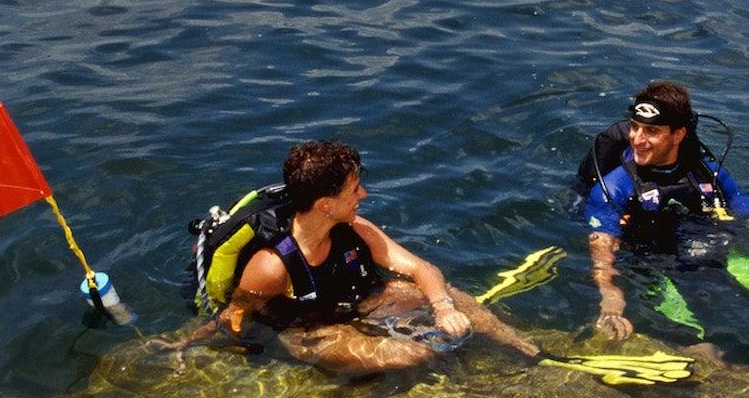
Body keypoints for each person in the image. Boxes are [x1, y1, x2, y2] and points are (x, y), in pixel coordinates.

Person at [160, 140, 538, 375]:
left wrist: (441, 307)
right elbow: (236, 314)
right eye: (355, 190)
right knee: (404, 356)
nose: (364, 195)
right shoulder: (271, 266)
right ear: (325, 204)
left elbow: (421, 268)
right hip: (308, 329)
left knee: (455, 297)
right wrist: (189, 343)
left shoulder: (357, 228)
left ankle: (520, 346)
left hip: (358, 301)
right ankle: (436, 353)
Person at [578, 80, 749, 341]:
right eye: (635, 128)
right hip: (654, 264)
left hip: (713, 250)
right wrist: (610, 296)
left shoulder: (705, 171)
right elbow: (601, 242)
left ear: (678, 134)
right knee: (703, 340)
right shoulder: (613, 186)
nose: (637, 139)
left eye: (651, 131)